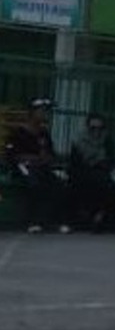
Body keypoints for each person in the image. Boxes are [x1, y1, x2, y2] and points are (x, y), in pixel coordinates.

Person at [3, 98, 68, 234]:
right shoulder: (19, 132)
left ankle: (52, 221)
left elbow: (51, 154)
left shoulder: (44, 133)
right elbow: (12, 154)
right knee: (34, 185)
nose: (46, 114)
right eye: (42, 111)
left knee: (57, 185)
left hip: (41, 168)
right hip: (23, 167)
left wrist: (46, 158)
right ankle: (33, 221)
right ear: (32, 113)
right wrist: (31, 158)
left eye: (47, 112)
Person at [68, 113, 115, 233]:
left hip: (100, 172)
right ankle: (86, 218)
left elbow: (111, 159)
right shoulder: (79, 140)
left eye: (100, 128)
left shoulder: (106, 139)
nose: (96, 132)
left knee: (107, 186)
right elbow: (75, 162)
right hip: (82, 172)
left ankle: (100, 217)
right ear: (88, 128)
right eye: (93, 128)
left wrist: (102, 165)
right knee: (84, 185)